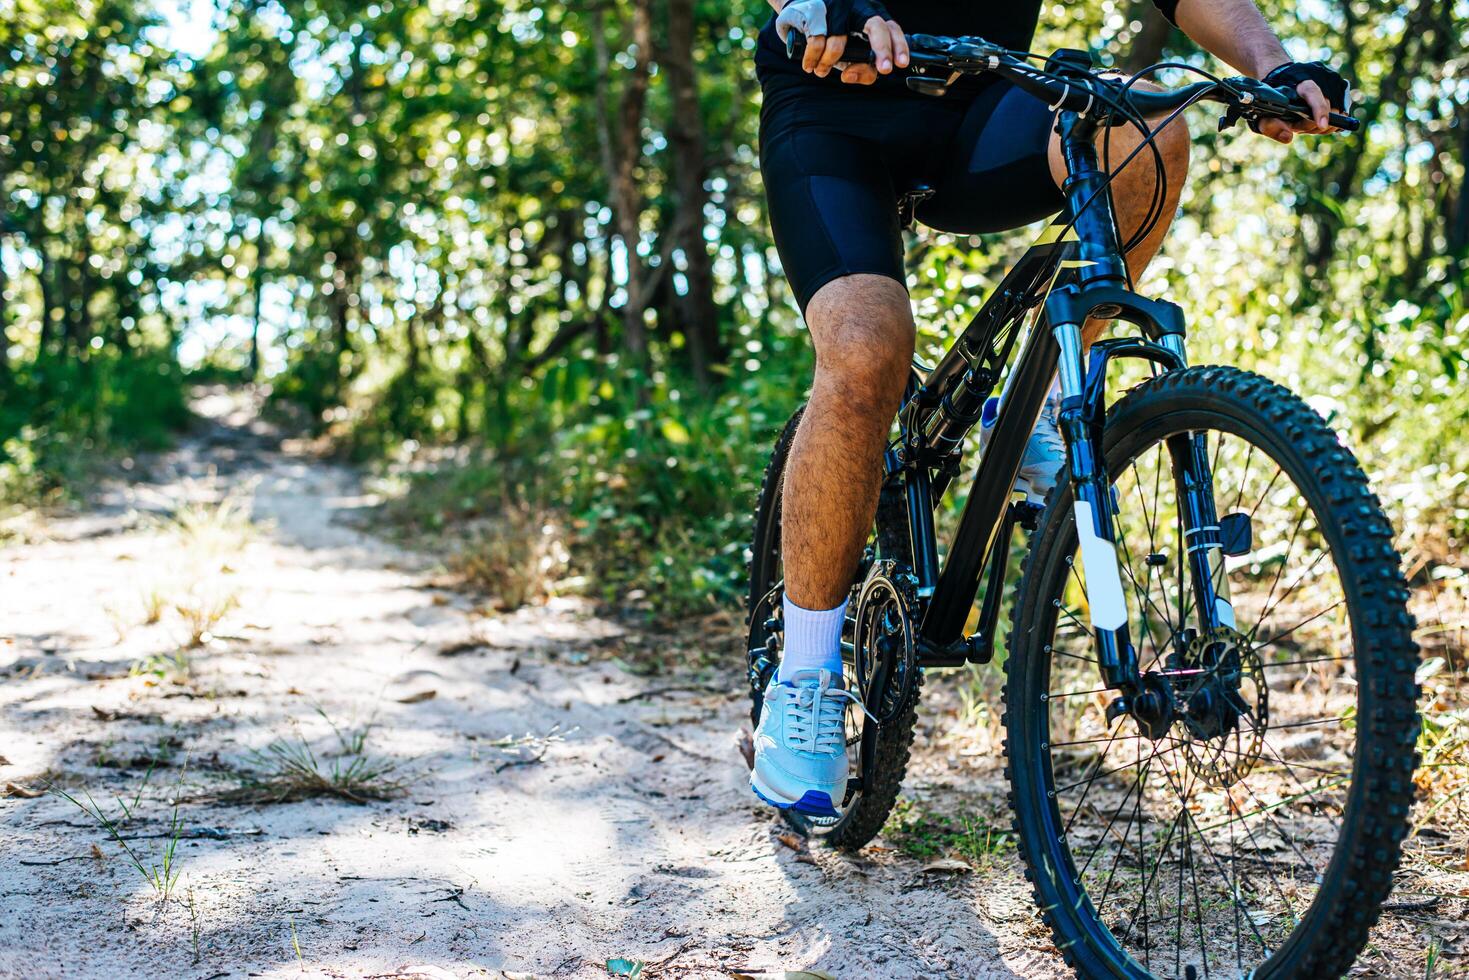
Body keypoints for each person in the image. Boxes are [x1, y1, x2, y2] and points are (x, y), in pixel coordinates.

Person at [747, 0, 1349, 814]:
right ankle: (806, 675)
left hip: (983, 109)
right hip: (831, 113)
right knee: (865, 353)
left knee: (1141, 128)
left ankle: (1041, 402)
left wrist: (1271, 65)